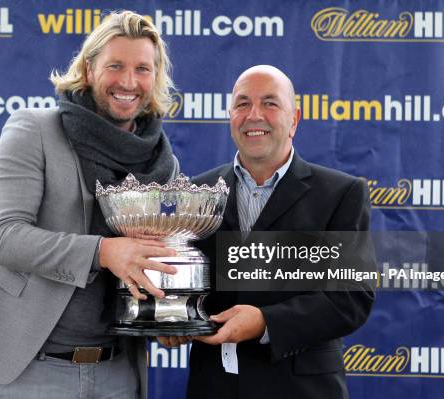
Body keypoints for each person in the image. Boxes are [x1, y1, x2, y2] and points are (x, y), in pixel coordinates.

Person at [0, 11, 180, 399]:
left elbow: (160, 255)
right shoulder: (34, 129)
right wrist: (104, 252)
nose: (128, 81)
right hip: (30, 370)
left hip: (118, 372)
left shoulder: (162, 161)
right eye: (116, 66)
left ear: (155, 77)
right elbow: (4, 237)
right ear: (90, 70)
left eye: (143, 68)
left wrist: (167, 316)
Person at [159, 65, 375, 398]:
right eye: (243, 104)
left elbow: (350, 299)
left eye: (270, 103)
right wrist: (171, 317)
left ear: (295, 119)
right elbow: (181, 281)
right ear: (230, 115)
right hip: (214, 386)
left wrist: (264, 321)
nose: (254, 115)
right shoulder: (194, 192)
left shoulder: (340, 194)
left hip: (302, 389)